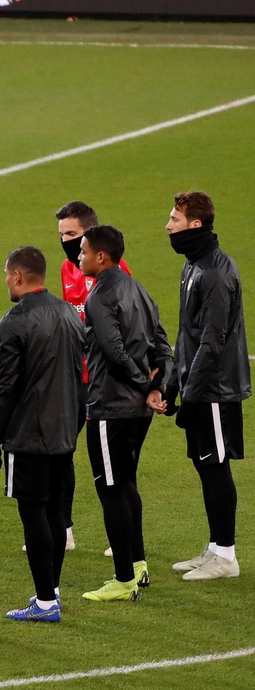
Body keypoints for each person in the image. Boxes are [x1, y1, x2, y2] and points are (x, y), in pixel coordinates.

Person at [0, 247, 85, 623]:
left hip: (28, 433)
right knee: (56, 512)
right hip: (64, 429)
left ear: (18, 277)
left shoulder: (13, 322)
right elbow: (78, 377)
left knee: (34, 514)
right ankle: (51, 591)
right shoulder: (70, 314)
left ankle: (45, 602)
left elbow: (5, 387)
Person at [77, 225, 173, 603]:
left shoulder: (100, 295)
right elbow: (162, 344)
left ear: (102, 256)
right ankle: (137, 565)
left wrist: (140, 385)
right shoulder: (139, 289)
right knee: (126, 483)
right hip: (136, 410)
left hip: (109, 407)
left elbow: (114, 353)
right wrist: (153, 387)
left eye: (83, 251)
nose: (79, 257)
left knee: (111, 488)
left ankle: (123, 580)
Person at [162, 190, 247, 581]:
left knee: (215, 466)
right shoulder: (194, 264)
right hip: (199, 384)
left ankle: (227, 557)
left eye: (174, 220)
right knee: (203, 463)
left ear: (196, 224)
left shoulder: (215, 272)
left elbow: (213, 341)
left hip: (214, 388)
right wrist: (172, 384)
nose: (168, 227)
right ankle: (215, 547)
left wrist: (193, 395)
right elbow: (188, 334)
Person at [53, 199, 130, 555]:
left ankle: (122, 533)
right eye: (62, 234)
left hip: (105, 380)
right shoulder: (68, 271)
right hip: (74, 378)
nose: (67, 242)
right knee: (60, 450)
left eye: (73, 234)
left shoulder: (116, 272)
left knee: (112, 461)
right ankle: (63, 530)